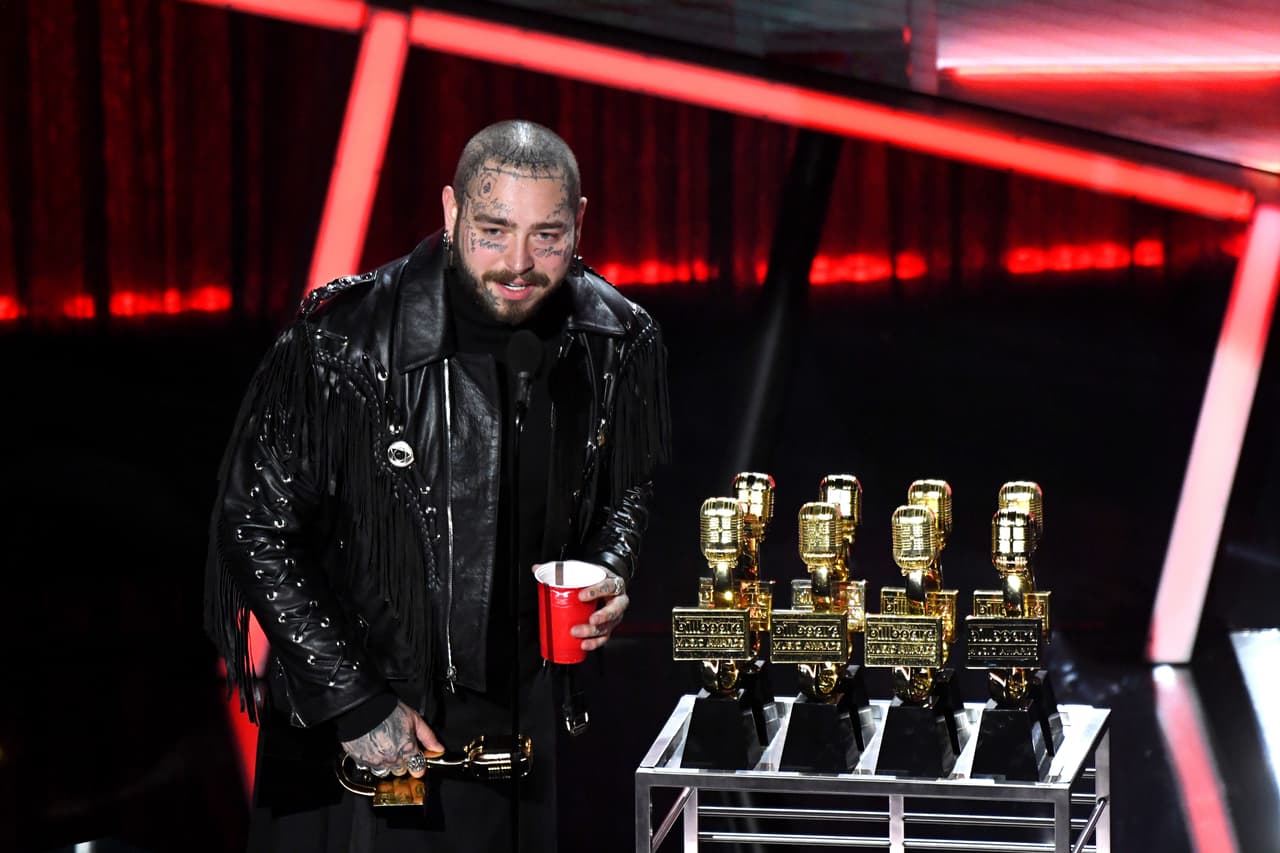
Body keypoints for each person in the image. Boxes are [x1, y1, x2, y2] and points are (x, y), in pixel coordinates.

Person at [204, 120, 670, 852]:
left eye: (546, 236)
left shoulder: (616, 336)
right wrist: (354, 702)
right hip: (370, 728)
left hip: (523, 731)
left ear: (580, 223)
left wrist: (610, 562)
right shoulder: (344, 340)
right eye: (492, 230)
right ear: (450, 212)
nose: (518, 263)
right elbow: (253, 523)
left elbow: (627, 480)